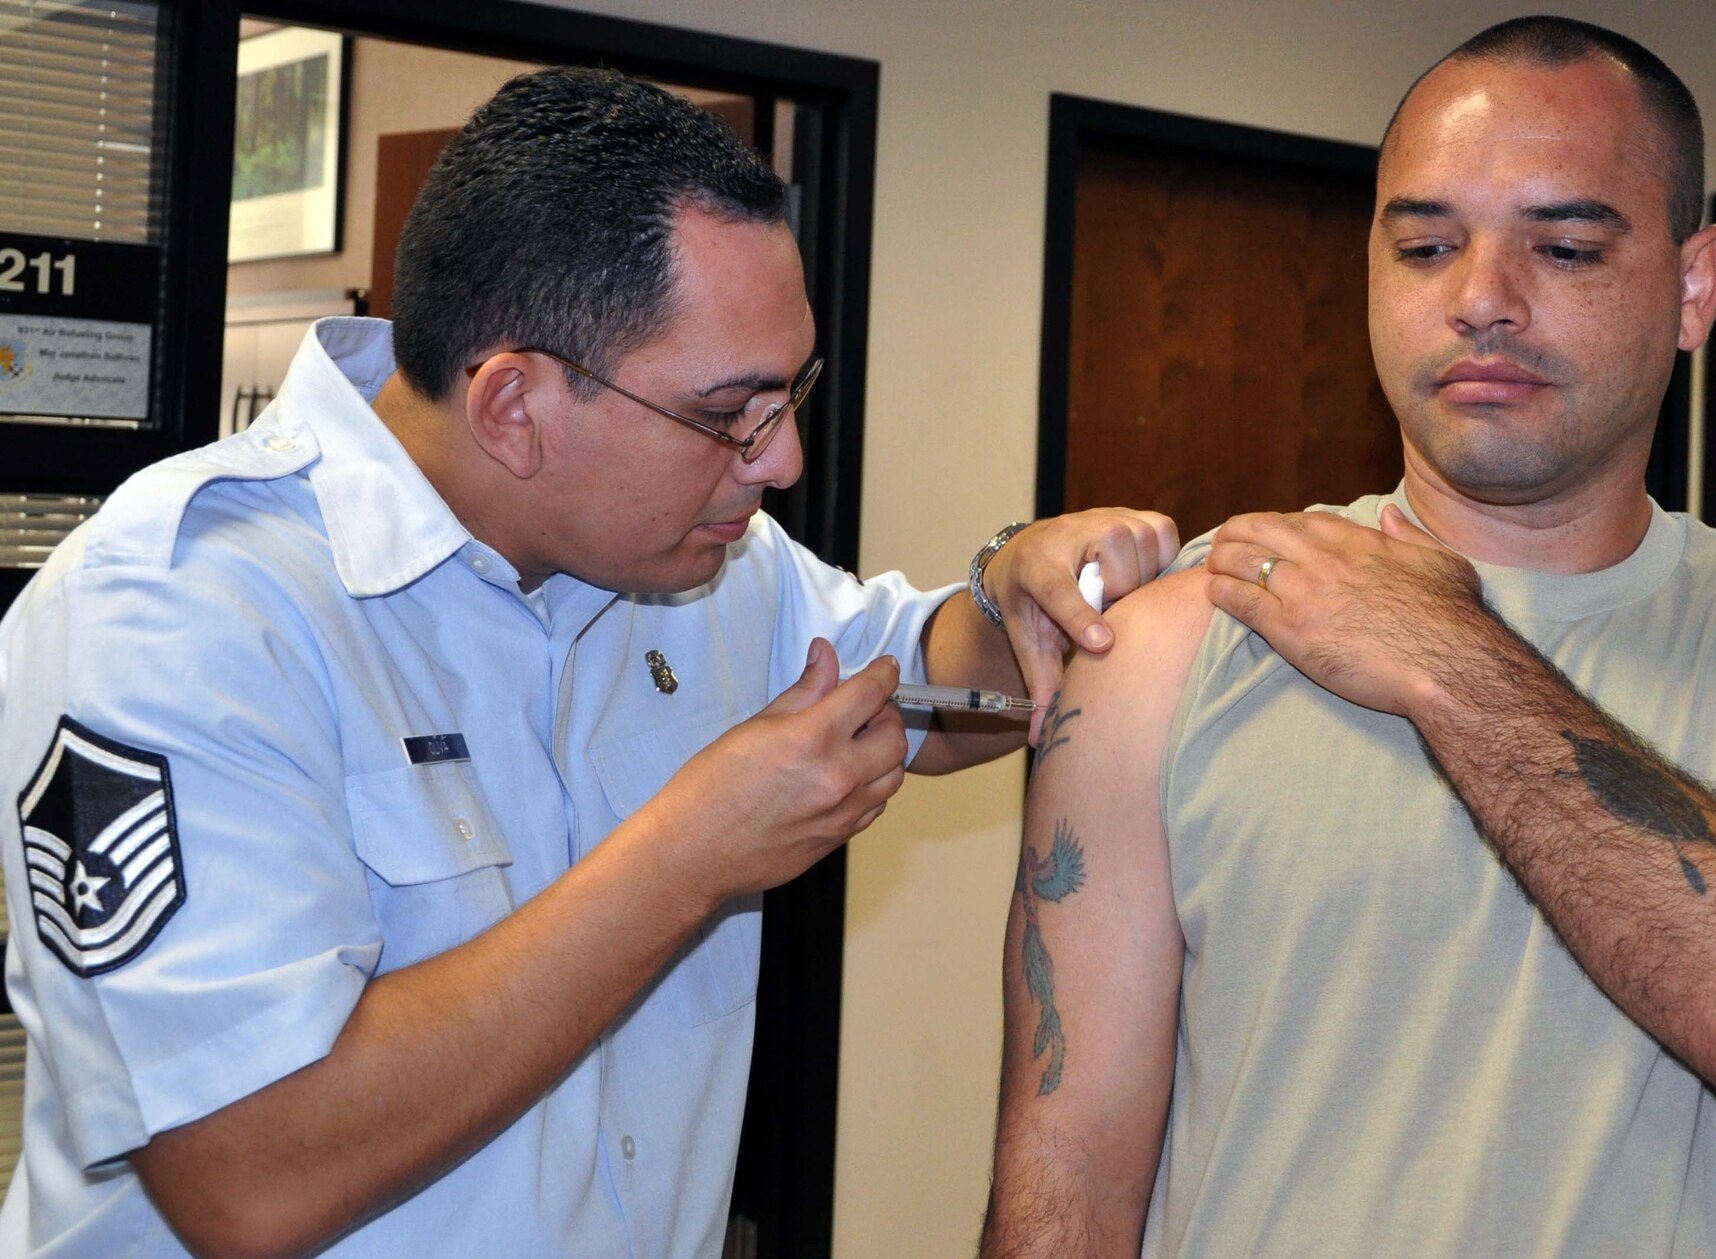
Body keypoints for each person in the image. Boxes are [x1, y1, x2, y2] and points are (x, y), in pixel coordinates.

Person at [0, 68, 1175, 1258]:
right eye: (731, 413)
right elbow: (243, 1174)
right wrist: (688, 854)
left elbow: (926, 682)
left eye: (792, 392)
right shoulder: (177, 611)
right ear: (513, 403)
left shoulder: (699, 563)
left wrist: (1027, 588)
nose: (780, 462)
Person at [981, 16, 1716, 1259]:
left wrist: (1442, 654)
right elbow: (1067, 1176)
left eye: (1561, 246)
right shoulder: (1179, 635)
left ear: (1693, 288)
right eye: (1422, 245)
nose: (1477, 301)